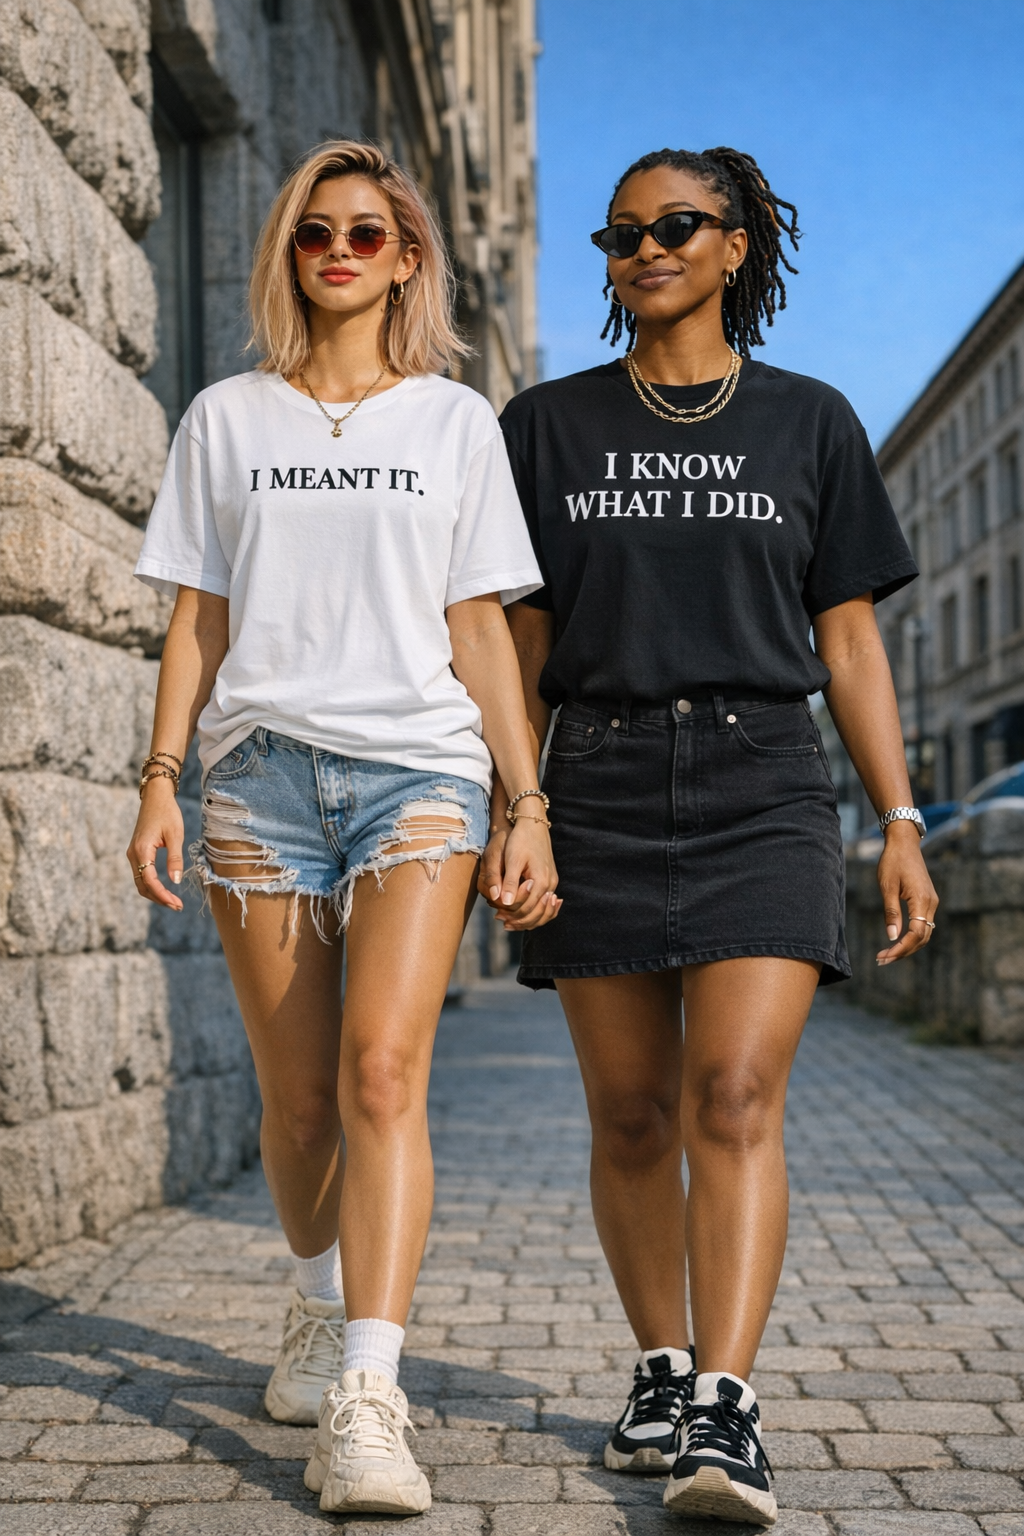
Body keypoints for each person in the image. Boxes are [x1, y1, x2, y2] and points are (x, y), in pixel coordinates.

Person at [484, 146, 938, 1527]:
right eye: (619, 236)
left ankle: (725, 1414)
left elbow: (847, 639)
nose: (645, 252)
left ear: (737, 244)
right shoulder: (547, 426)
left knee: (732, 1099)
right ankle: (660, 1365)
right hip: (602, 779)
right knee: (630, 1115)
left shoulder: (810, 423)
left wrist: (903, 816)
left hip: (764, 782)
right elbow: (517, 632)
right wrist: (521, 804)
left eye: (676, 227)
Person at [127, 140, 560, 1517]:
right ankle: (314, 1304)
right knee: (302, 1106)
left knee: (382, 1077)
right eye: (316, 233)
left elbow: (478, 623)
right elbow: (197, 612)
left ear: (408, 256)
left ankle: (371, 1392)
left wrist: (524, 798)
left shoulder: (452, 423)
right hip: (257, 781)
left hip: (420, 776)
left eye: (368, 233)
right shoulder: (226, 418)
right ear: (290, 250)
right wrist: (158, 776)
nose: (338, 253)